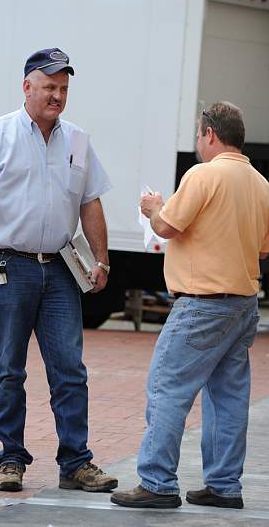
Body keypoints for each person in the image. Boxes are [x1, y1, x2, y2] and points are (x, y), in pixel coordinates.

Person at [0, 47, 118, 493]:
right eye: (49, 87)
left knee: (70, 369)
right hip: (10, 265)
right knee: (9, 368)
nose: (57, 96)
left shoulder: (78, 140)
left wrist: (100, 259)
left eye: (63, 88)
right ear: (27, 86)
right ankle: (11, 459)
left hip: (62, 269)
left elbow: (90, 201)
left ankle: (76, 462)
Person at [111, 101, 269, 510]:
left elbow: (166, 226)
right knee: (229, 397)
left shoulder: (203, 174)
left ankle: (158, 483)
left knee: (167, 389)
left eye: (199, 135)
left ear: (210, 134)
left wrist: (153, 208)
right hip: (243, 302)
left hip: (201, 303)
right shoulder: (260, 183)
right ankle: (223, 486)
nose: (198, 143)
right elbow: (264, 247)